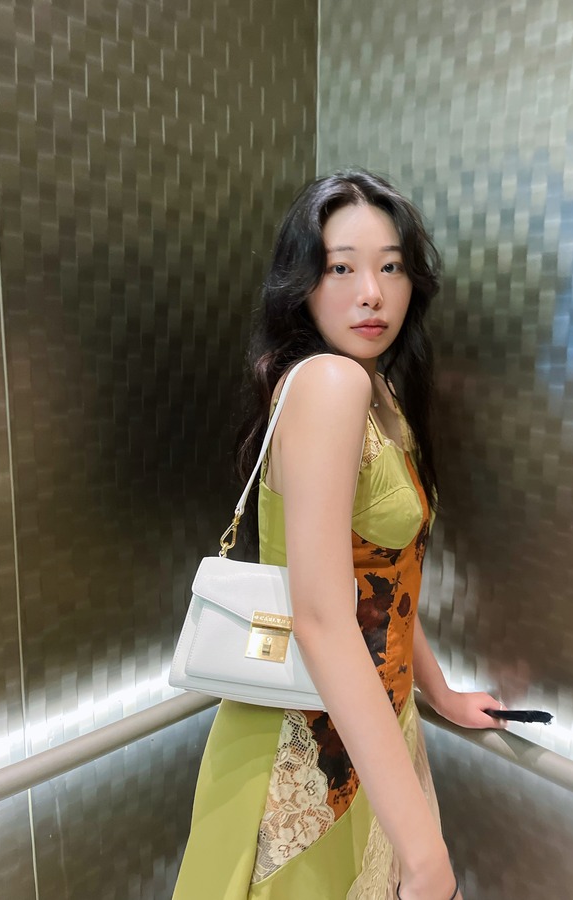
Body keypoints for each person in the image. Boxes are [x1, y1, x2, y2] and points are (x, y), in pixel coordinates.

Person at [173, 170, 505, 900]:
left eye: (392, 266)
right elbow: (323, 617)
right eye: (342, 268)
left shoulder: (376, 387)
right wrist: (426, 855)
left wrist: (440, 692)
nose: (372, 293)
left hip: (370, 726)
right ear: (302, 283)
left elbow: (382, 574)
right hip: (306, 755)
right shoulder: (333, 384)